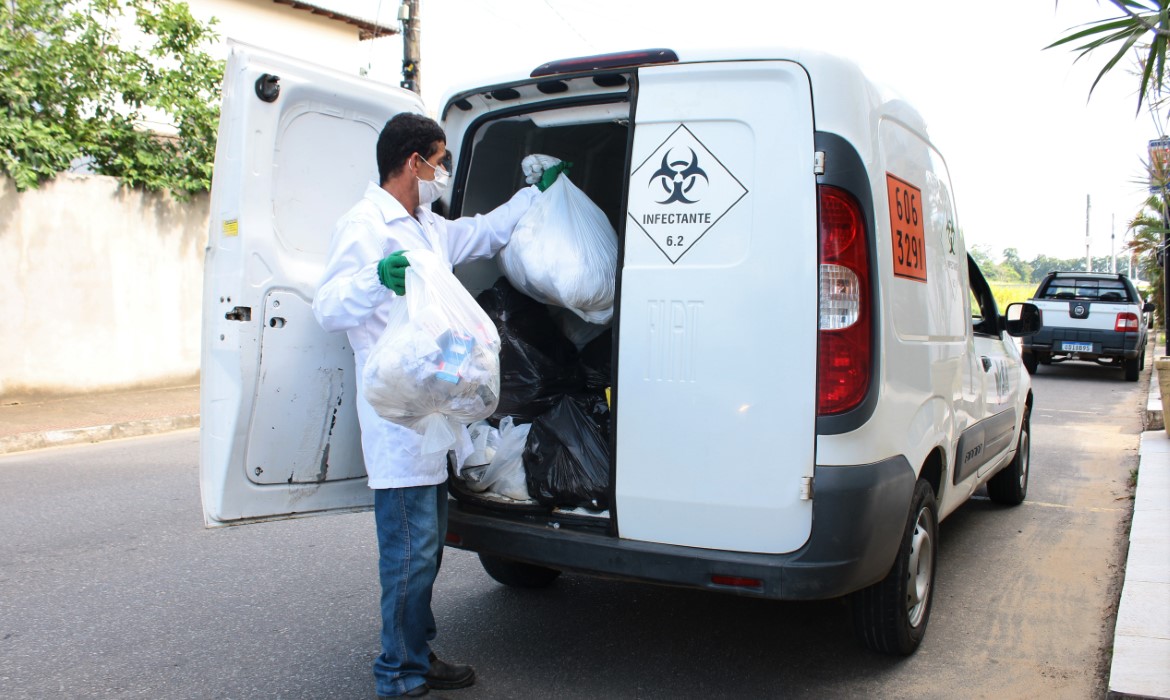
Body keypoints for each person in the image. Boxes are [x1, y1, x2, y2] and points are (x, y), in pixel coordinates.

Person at [311, 112, 564, 699]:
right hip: (396, 416)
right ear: (412, 162)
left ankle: (416, 654)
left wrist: (536, 194)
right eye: (440, 159)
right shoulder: (364, 224)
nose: (444, 171)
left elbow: (487, 230)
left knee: (423, 549)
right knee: (409, 552)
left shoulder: (427, 224)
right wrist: (378, 278)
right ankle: (399, 671)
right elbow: (327, 306)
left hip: (433, 412)